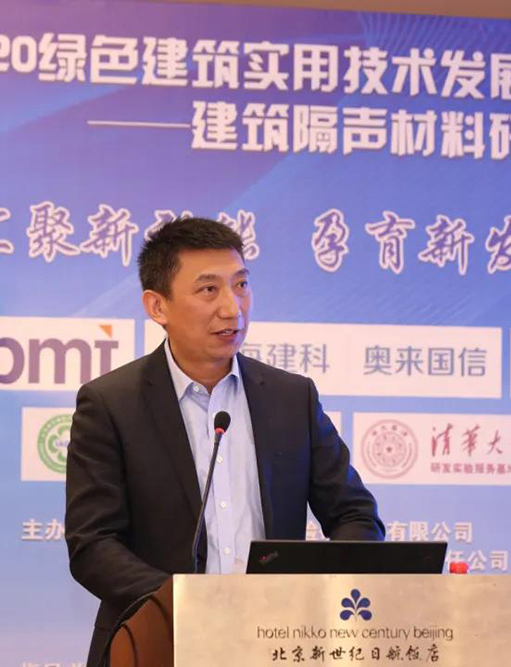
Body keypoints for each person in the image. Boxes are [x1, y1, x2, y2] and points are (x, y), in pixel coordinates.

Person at [65, 217, 384, 667]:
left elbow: (355, 514)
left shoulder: (292, 397)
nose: (232, 309)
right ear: (157, 306)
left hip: (276, 644)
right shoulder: (111, 403)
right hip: (157, 642)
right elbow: (93, 545)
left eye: (241, 285)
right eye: (208, 290)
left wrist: (320, 591)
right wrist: (184, 603)